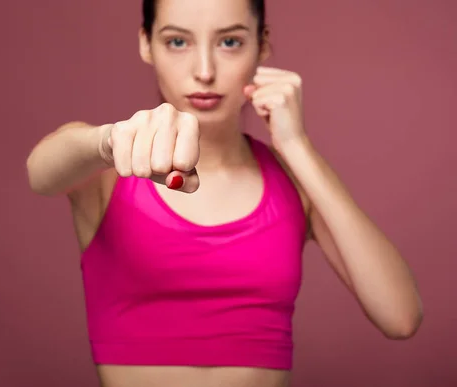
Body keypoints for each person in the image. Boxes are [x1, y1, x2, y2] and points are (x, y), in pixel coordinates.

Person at [26, 0, 423, 386]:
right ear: (146, 43)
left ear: (261, 44)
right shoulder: (109, 171)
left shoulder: (293, 184)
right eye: (177, 41)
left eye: (229, 42)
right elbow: (41, 173)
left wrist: (297, 146)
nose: (204, 71)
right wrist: (105, 142)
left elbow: (400, 317)